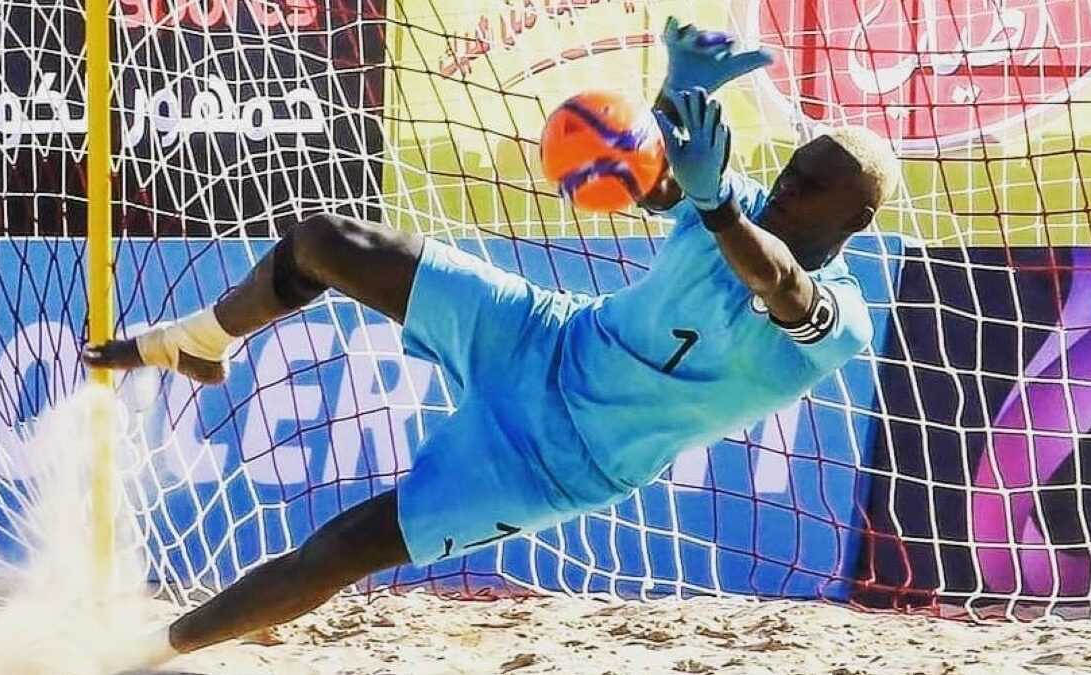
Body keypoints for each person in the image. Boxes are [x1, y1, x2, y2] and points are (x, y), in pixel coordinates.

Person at [82, 17, 899, 668]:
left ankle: (145, 654)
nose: (791, 180)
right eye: (795, 163)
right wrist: (675, 94)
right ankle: (203, 340)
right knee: (325, 240)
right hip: (543, 335)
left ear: (856, 218)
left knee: (336, 553)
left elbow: (780, 285)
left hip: (558, 461)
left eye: (816, 181)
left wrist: (717, 201)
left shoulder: (841, 316)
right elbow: (648, 171)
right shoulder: (738, 199)